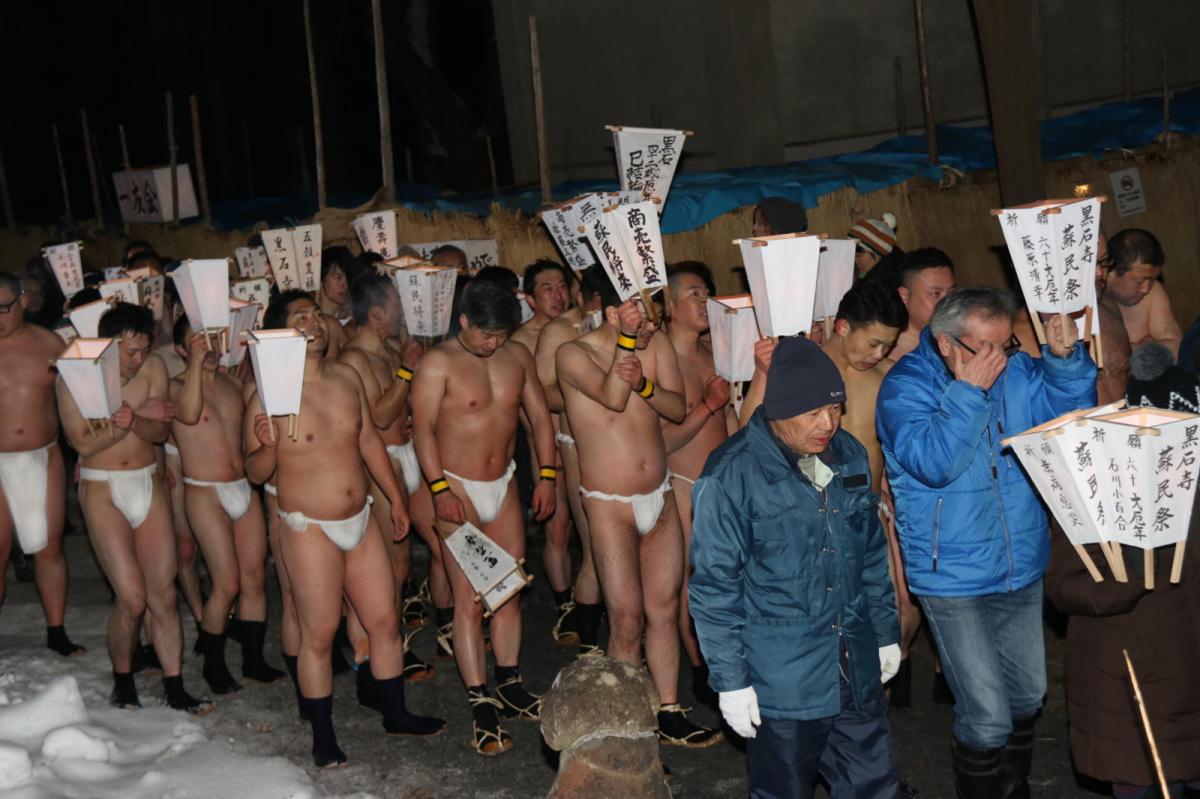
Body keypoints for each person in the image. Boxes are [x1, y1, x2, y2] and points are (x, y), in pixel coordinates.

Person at [877, 288, 1096, 795]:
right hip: (951, 575)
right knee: (988, 716)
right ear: (946, 343)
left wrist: (1064, 363)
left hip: (1018, 559)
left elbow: (1067, 421)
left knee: (1028, 695)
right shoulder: (905, 388)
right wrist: (968, 393)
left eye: (1008, 345)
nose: (1000, 358)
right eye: (986, 348)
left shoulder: (1013, 370)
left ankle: (1011, 786)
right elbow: (935, 463)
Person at [690, 336, 904, 797]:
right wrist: (731, 682)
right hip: (783, 681)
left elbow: (870, 554)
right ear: (779, 411)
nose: (828, 423)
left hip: (853, 665)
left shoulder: (845, 453)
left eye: (836, 409)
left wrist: (885, 631)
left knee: (876, 786)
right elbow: (714, 587)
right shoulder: (731, 475)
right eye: (813, 414)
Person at [244, 290, 444, 767]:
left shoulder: (346, 375)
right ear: (279, 332)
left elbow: (369, 439)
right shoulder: (267, 393)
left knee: (383, 621)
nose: (314, 322)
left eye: (315, 313)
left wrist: (396, 497)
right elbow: (254, 473)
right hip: (308, 526)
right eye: (300, 317)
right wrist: (269, 445)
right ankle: (324, 735)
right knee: (320, 631)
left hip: (361, 516)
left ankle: (395, 712)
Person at [557, 272, 721, 748]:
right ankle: (625, 725)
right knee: (626, 617)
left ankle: (668, 710)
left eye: (650, 318)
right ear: (611, 315)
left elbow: (674, 407)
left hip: (660, 493)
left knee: (663, 610)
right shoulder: (573, 353)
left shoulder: (656, 345)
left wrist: (647, 382)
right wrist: (629, 345)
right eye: (637, 319)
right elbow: (611, 396)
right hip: (609, 503)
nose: (650, 327)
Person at [410, 279, 556, 756]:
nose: (494, 344)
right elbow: (424, 431)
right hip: (458, 486)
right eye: (485, 335)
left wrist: (547, 476)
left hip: (505, 482)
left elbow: (538, 418)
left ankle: (510, 683)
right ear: (464, 322)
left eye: (501, 335)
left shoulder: (516, 357)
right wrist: (438, 490)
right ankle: (480, 702)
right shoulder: (438, 364)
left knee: (508, 587)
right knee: (470, 600)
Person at [58, 302, 210, 713]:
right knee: (132, 598)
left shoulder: (154, 370)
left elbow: (160, 431)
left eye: (144, 350)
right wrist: (133, 417)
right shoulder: (77, 376)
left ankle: (174, 684)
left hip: (146, 479)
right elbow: (83, 444)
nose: (138, 360)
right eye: (129, 352)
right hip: (103, 487)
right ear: (107, 346)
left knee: (163, 593)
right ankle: (123, 680)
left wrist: (133, 419)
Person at [1045, 505, 1200, 798]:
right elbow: (1063, 585)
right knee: (1139, 776)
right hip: (1129, 678)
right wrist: (1129, 578)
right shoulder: (1094, 492)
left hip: (1188, 667)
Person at [168, 315, 284, 693]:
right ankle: (213, 664)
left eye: (214, 341)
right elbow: (186, 414)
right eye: (198, 342)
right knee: (227, 583)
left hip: (241, 486)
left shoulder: (235, 386)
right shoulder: (177, 387)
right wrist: (197, 366)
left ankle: (252, 660)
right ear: (182, 350)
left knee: (254, 580)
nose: (210, 348)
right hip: (204, 491)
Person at [338, 272, 440, 680]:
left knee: (417, 553)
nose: (403, 314)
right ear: (377, 313)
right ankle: (374, 649)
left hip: (406, 456)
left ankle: (394, 643)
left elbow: (400, 408)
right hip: (380, 466)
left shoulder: (392, 348)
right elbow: (378, 417)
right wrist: (408, 370)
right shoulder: (353, 360)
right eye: (397, 306)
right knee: (388, 564)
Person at [0, 272, 83, 657]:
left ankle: (56, 631)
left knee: (48, 548)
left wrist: (85, 453)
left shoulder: (50, 344)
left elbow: (80, 400)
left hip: (43, 454)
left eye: (2, 308)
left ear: (23, 303)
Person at [661, 262, 730, 701]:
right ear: (668, 306)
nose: (704, 301)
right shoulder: (660, 358)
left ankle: (726, 662)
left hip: (723, 483)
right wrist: (707, 406)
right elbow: (660, 440)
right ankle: (702, 671)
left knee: (730, 579)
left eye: (707, 292)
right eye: (692, 293)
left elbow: (734, 417)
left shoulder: (715, 352)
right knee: (694, 581)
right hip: (684, 483)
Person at [533, 267, 607, 654]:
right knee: (596, 538)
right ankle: (584, 619)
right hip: (577, 440)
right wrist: (591, 392)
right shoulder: (559, 332)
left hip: (620, 441)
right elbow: (544, 391)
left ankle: (598, 615)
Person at [510, 260, 577, 634]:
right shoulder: (520, 341)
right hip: (546, 445)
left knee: (591, 526)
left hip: (585, 442)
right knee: (558, 529)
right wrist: (544, 448)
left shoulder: (579, 328)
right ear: (530, 298)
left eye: (561, 286)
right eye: (547, 288)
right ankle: (564, 603)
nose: (557, 294)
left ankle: (587, 600)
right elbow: (524, 408)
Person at [1106, 228, 1182, 361]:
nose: (1146, 289)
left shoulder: (1153, 292)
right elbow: (1105, 357)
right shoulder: (1089, 301)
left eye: (1152, 279)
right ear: (1113, 272)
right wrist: (1146, 347)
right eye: (1141, 281)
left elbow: (1176, 348)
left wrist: (1130, 349)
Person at [890, 248, 958, 361]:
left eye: (952, 293)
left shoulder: (963, 340)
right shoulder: (883, 350)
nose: (947, 303)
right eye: (935, 294)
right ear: (905, 296)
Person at [1095, 233, 1133, 405]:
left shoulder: (1110, 307)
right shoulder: (1027, 331)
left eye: (1103, 262)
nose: (1099, 273)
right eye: (1088, 264)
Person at [849, 212, 905, 288]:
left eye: (858, 254)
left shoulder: (888, 284)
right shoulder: (863, 273)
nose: (854, 259)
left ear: (878, 253)